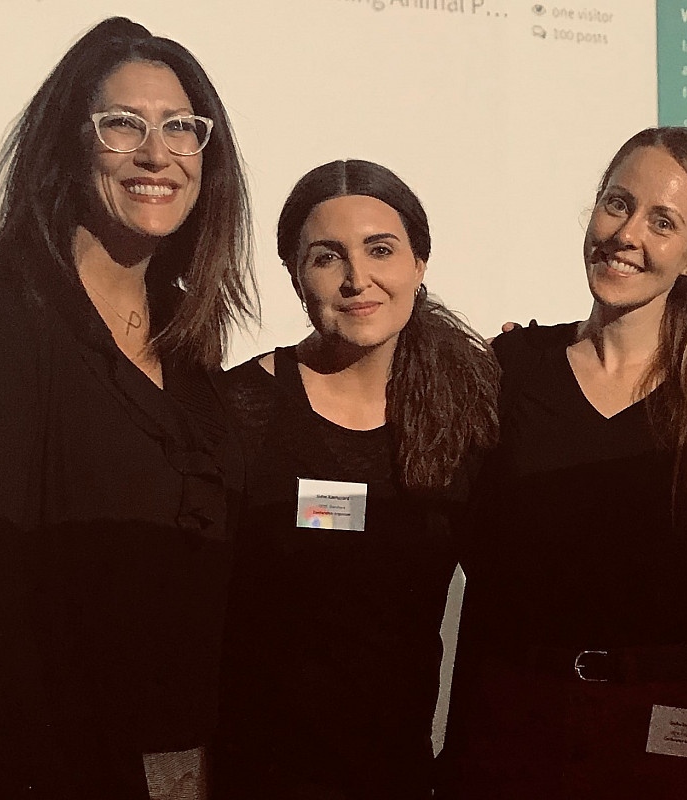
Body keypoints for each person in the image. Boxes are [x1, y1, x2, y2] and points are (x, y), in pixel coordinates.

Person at [0, 17, 254, 799]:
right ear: (69, 145)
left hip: (178, 758)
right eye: (123, 123)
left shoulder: (188, 337)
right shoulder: (0, 307)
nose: (157, 153)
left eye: (181, 127)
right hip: (44, 760)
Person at [437, 127, 687, 798]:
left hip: (666, 746)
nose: (626, 233)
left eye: (662, 222)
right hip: (514, 732)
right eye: (618, 203)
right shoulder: (512, 369)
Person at [210, 159, 499, 800]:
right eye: (327, 257)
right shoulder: (239, 411)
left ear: (419, 264)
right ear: (295, 275)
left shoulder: (467, 411)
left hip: (398, 777)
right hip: (257, 778)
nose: (357, 279)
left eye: (380, 250)